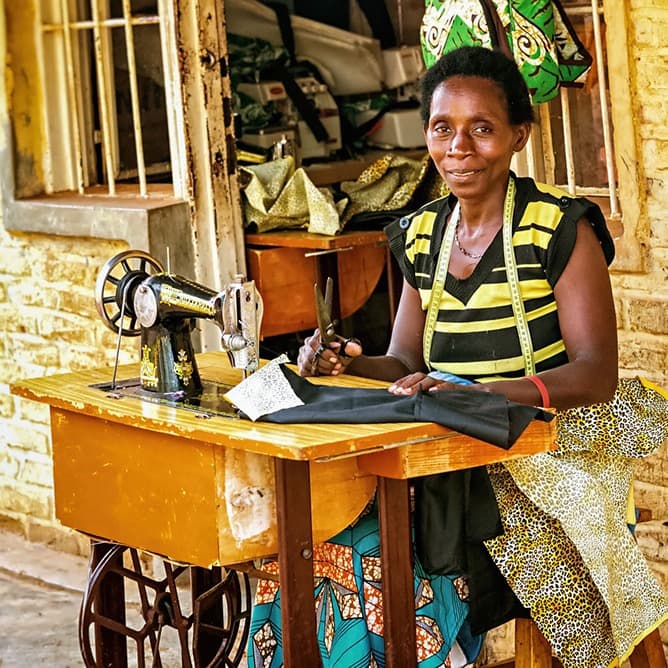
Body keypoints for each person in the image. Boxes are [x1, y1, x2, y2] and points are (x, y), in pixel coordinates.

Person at [246, 46, 668, 668]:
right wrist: (347, 360)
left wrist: (484, 395)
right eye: (443, 128)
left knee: (398, 552)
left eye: (483, 128)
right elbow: (402, 362)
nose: (460, 146)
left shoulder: (560, 228)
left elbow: (594, 374)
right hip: (447, 452)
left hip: (542, 454)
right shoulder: (422, 235)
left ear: (518, 136)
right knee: (326, 543)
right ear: (426, 137)